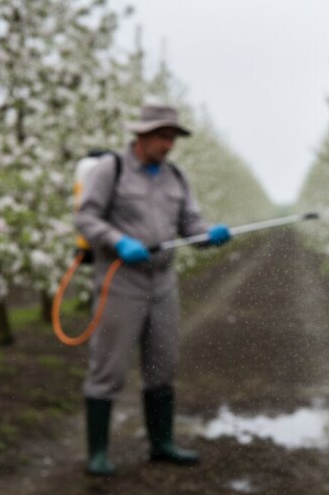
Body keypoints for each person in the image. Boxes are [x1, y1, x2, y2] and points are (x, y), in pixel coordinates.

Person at [74, 103, 231, 476]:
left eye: (172, 138)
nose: (168, 145)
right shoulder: (109, 170)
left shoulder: (176, 178)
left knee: (162, 365)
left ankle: (161, 443)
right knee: (108, 367)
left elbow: (190, 225)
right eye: (162, 137)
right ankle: (98, 453)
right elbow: (86, 217)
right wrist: (118, 240)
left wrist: (208, 236)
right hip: (120, 281)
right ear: (141, 135)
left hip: (162, 284)